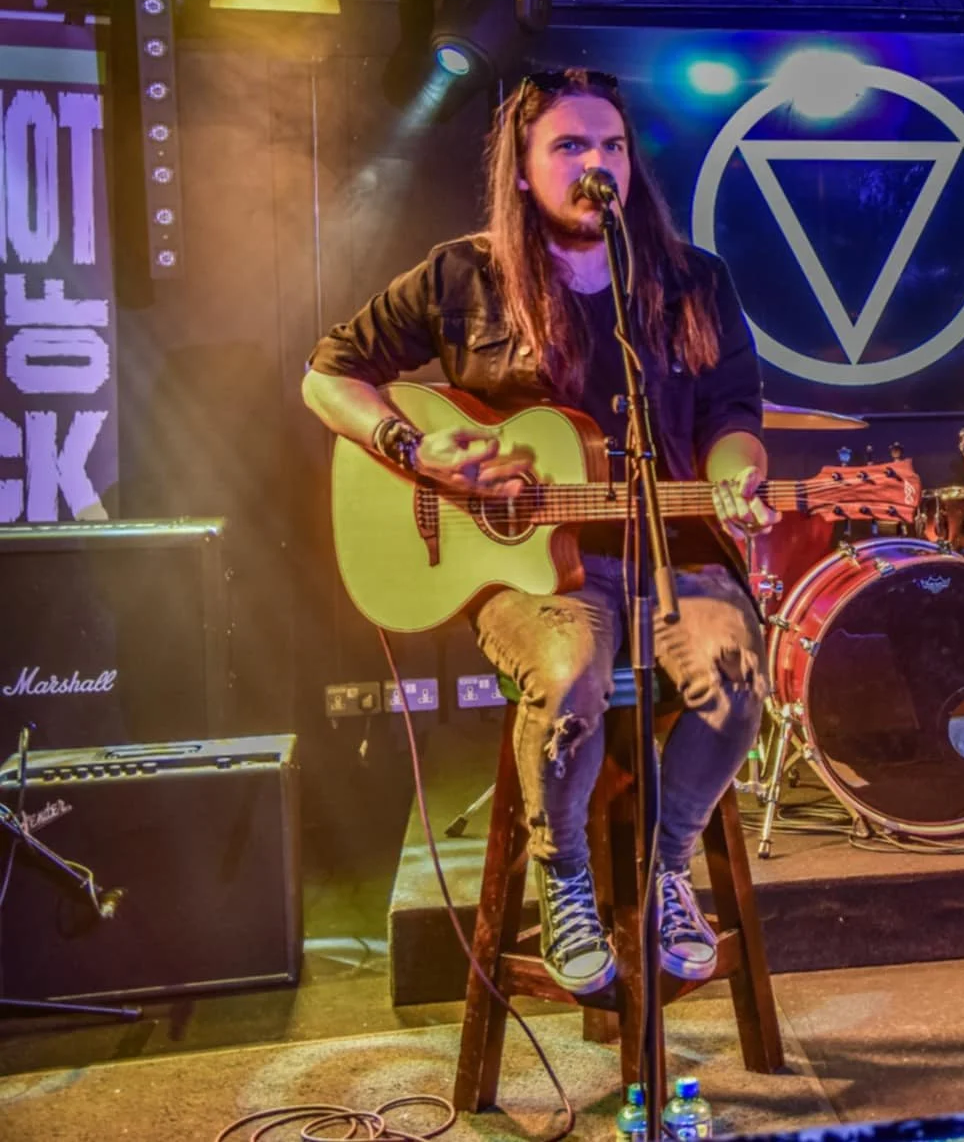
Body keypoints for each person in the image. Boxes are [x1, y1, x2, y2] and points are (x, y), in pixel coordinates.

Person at [302, 68, 774, 994]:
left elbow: (734, 413)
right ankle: (564, 877)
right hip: (528, 577)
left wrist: (735, 480)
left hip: (670, 554)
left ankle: (665, 864)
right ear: (521, 171)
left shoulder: (690, 281)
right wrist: (411, 446)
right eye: (569, 146)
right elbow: (328, 373)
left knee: (733, 675)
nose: (596, 163)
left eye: (612, 146)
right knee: (570, 679)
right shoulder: (462, 275)